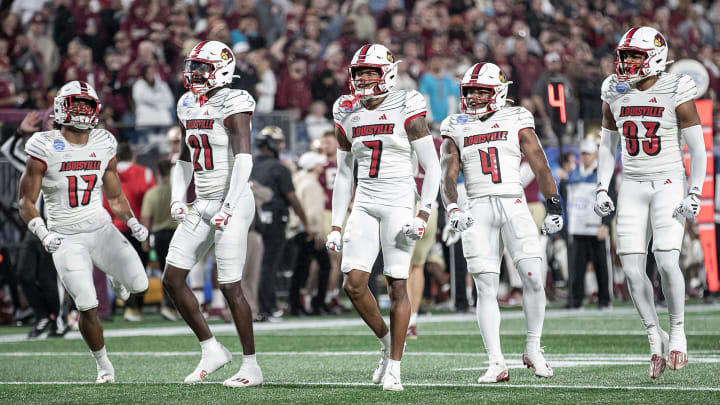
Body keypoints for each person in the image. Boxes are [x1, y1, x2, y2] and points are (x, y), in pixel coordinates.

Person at [17, 81, 149, 383]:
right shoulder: (43, 144)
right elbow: (25, 201)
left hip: (101, 227)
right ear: (61, 108)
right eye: (75, 103)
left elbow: (115, 196)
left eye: (86, 105)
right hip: (66, 235)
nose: (81, 110)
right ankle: (104, 366)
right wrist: (43, 232)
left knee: (140, 285)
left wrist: (132, 222)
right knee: (87, 304)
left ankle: (116, 275)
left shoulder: (104, 141)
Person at [326, 43, 441, 391]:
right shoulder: (346, 110)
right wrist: (335, 222)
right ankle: (388, 340)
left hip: (399, 200)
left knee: (397, 283)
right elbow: (344, 173)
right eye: (358, 72)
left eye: (370, 72)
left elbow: (432, 166)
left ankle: (394, 366)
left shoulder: (406, 104)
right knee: (353, 283)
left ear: (387, 74)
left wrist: (423, 212)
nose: (362, 78)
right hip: (364, 201)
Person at [440, 63, 563, 383]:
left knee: (534, 276)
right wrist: (452, 208)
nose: (475, 97)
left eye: (482, 90)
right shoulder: (455, 125)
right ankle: (496, 361)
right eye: (471, 91)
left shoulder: (517, 118)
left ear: (498, 91)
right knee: (485, 286)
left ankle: (533, 348)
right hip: (477, 206)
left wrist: (554, 207)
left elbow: (540, 164)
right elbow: (448, 174)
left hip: (513, 201)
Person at [595, 27, 706, 379]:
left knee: (668, 260)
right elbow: (606, 144)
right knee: (629, 269)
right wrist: (601, 187)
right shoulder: (614, 89)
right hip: (633, 183)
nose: (626, 62)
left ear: (655, 57)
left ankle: (677, 330)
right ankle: (652, 336)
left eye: (634, 56)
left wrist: (695, 192)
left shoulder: (676, 87)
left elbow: (697, 147)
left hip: (669, 181)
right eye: (624, 55)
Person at [162, 40, 262, 387]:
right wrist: (178, 197)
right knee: (172, 279)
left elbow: (244, 159)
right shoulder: (187, 103)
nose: (195, 74)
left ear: (221, 68)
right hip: (203, 201)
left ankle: (251, 365)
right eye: (193, 67)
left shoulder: (234, 100)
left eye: (203, 67)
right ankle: (211, 348)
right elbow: (185, 158)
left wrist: (230, 206)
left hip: (231, 199)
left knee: (230, 285)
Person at [251, 126, 309, 321]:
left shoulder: (250, 164)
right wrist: (305, 222)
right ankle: (268, 307)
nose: (280, 146)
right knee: (269, 265)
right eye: (277, 142)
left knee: (254, 265)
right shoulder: (279, 168)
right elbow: (291, 197)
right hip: (275, 219)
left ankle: (255, 306)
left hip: (253, 220)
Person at [103, 142, 155, 321]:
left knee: (121, 269)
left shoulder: (106, 174)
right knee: (140, 268)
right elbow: (150, 204)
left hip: (113, 228)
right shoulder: (145, 173)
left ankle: (126, 304)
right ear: (132, 154)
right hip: (138, 228)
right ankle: (135, 308)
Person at [561, 138, 615, 309]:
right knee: (576, 267)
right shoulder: (574, 173)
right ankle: (575, 300)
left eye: (588, 154)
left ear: (595, 154)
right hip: (578, 227)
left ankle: (604, 300)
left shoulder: (603, 173)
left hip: (596, 227)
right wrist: (563, 180)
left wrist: (606, 223)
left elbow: (611, 197)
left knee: (601, 266)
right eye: (582, 154)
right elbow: (566, 195)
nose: (585, 157)